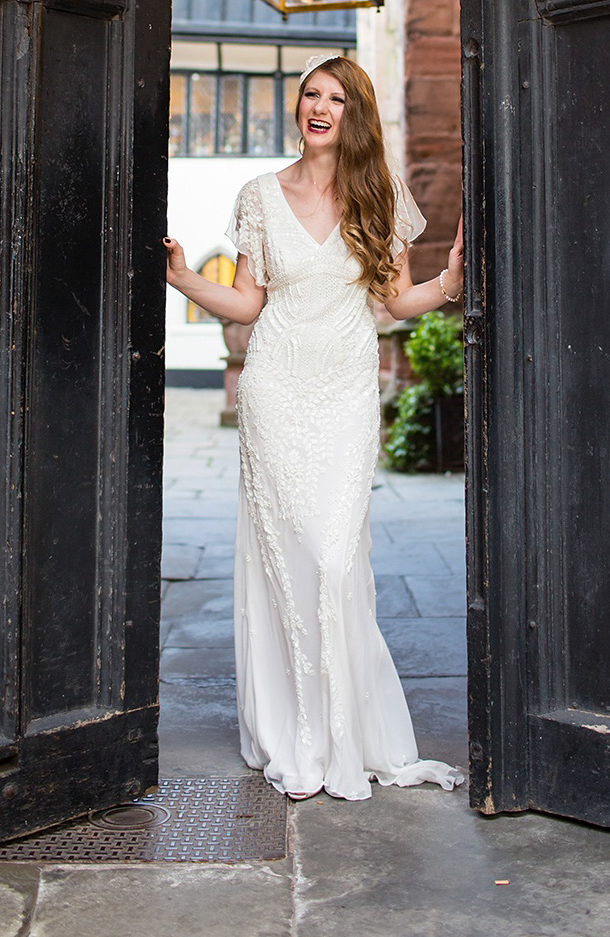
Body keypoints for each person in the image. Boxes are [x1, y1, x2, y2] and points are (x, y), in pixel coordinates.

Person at [163, 54, 465, 801]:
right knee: (287, 559)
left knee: (335, 559)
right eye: (309, 95)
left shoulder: (379, 196)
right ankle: (298, 734)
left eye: (334, 98)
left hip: (345, 395)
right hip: (276, 390)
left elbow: (394, 301)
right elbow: (247, 304)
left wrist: (451, 283)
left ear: (353, 112)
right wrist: (184, 278)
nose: (318, 107)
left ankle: (345, 733)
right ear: (297, 109)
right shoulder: (260, 195)